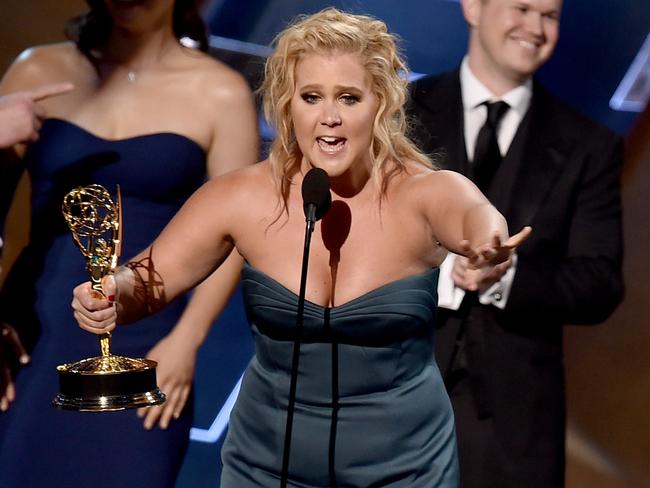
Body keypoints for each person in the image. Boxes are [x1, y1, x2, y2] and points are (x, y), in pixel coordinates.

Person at [72, 8, 530, 487]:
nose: (329, 118)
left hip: (403, 468)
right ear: (288, 105)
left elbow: (477, 217)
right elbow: (147, 282)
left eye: (349, 98)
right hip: (266, 465)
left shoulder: (424, 193)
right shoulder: (242, 197)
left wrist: (488, 247)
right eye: (311, 97)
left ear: (381, 104)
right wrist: (108, 295)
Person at [0, 0, 258, 485]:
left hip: (149, 346)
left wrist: (188, 339)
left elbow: (235, 232)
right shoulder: (39, 68)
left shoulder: (220, 93)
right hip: (29, 340)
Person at [407, 0, 624, 486]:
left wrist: (506, 278)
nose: (535, 27)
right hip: (387, 398)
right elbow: (350, 238)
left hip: (511, 430)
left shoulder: (589, 147)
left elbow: (600, 283)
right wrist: (445, 272)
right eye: (522, 8)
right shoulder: (398, 116)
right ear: (473, 8)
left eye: (549, 16)